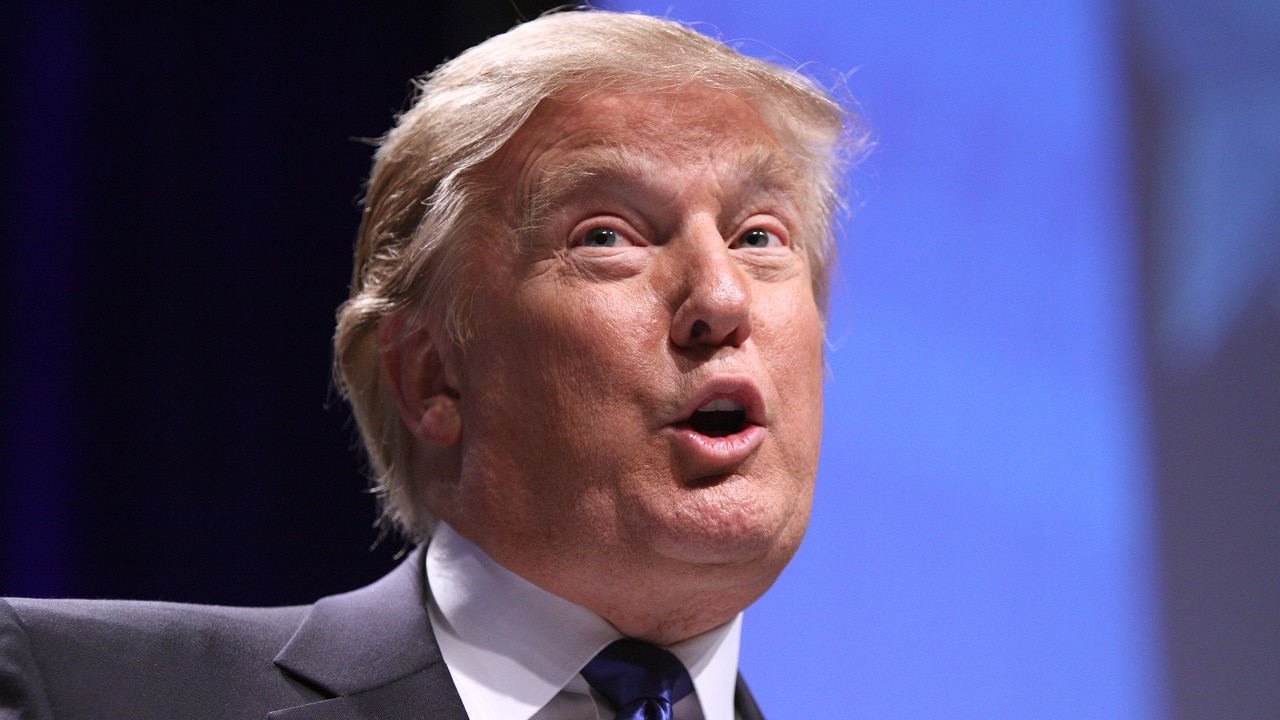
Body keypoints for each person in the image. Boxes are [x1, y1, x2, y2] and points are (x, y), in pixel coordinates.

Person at [0, 9, 856, 719]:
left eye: (759, 238)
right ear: (431, 376)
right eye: (607, 237)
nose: (722, 298)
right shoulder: (71, 688)